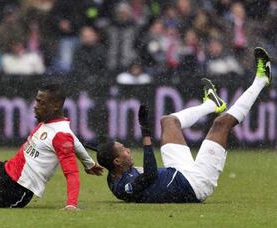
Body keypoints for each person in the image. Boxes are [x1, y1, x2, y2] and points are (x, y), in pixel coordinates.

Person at [96, 47, 272, 203]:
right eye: (123, 150)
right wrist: (146, 134)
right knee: (221, 124)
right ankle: (262, 79)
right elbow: (150, 175)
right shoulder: (123, 188)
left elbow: (106, 157)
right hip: (195, 184)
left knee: (169, 121)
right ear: (117, 161)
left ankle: (211, 104)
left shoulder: (114, 172)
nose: (127, 149)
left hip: (177, 170)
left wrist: (89, 160)